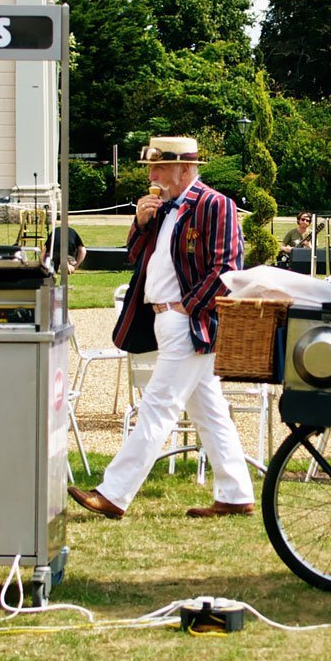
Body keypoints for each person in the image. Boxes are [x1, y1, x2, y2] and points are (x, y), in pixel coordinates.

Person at [68, 135, 255, 520]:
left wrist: (189, 307)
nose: (152, 175)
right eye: (151, 167)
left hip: (189, 322)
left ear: (186, 168)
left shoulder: (215, 204)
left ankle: (114, 493)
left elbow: (226, 270)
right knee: (209, 411)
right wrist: (140, 222)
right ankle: (236, 494)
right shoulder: (163, 206)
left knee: (157, 406)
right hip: (166, 319)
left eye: (160, 167)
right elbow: (135, 254)